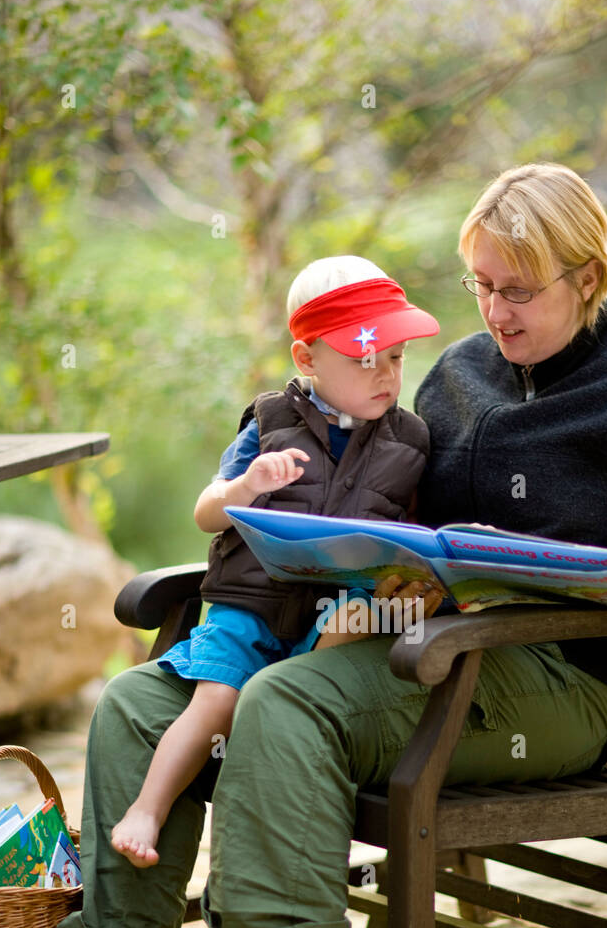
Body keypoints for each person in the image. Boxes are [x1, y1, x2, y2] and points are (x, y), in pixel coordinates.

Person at [0, 163, 607, 928]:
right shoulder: (465, 372)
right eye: (480, 283)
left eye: (518, 289)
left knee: (289, 703)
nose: (494, 310)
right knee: (143, 703)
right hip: (420, 644)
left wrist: (536, 565)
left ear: (588, 278)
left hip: (549, 676)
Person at [110, 255, 439, 868]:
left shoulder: (409, 441)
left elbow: (410, 534)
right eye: (364, 359)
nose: (386, 375)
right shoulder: (270, 425)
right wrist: (246, 488)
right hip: (252, 604)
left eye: (395, 358)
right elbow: (207, 513)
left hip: (332, 614)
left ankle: (309, 837)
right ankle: (148, 810)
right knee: (218, 701)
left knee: (318, 682)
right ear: (307, 359)